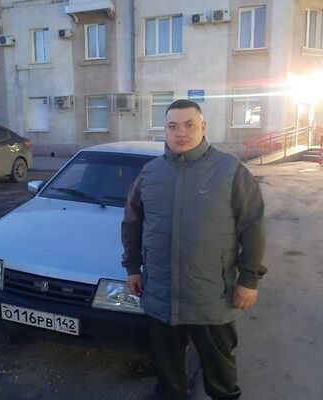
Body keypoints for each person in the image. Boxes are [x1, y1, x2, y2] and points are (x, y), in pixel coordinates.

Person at [121, 99, 267, 400]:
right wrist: (133, 268)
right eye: (173, 126)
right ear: (164, 131)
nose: (181, 132)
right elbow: (132, 223)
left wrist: (249, 279)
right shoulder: (150, 173)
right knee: (167, 371)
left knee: (220, 373)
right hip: (161, 294)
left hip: (212, 295)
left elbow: (253, 225)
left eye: (189, 125)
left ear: (203, 127)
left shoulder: (229, 170)